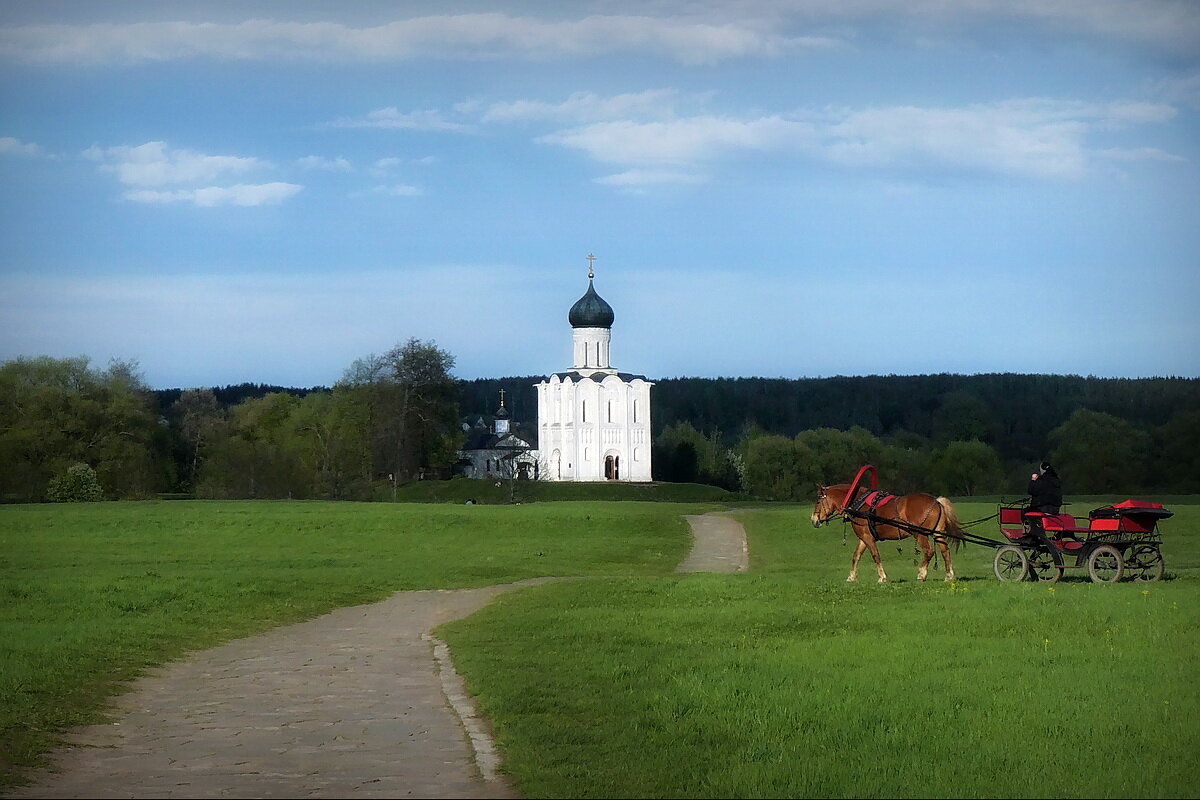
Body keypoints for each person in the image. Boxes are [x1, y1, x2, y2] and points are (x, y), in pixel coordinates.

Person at [1024, 461, 1062, 539]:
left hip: (1043, 509)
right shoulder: (1056, 480)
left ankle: (1030, 532)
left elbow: (1031, 490)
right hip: (1055, 510)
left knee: (1026, 511)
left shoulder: (1042, 480)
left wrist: (1033, 480)